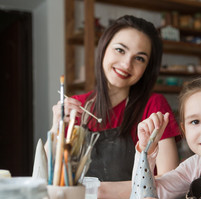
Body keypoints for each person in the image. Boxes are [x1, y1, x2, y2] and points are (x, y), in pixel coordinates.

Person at [49, 15, 180, 181]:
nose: (126, 64)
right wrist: (55, 129)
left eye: (139, 58)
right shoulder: (76, 107)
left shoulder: (154, 106)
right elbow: (47, 174)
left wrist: (98, 191)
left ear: (147, 68)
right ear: (104, 48)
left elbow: (170, 181)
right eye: (120, 50)